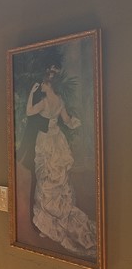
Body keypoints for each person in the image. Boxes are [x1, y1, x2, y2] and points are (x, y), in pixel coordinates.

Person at [22, 65, 96, 257]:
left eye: (44, 84)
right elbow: (68, 120)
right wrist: (75, 122)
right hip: (58, 139)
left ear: (48, 85)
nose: (42, 87)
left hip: (46, 141)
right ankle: (58, 217)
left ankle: (48, 225)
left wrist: (31, 92)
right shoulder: (60, 101)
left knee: (45, 181)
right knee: (59, 181)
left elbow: (29, 111)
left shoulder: (45, 102)